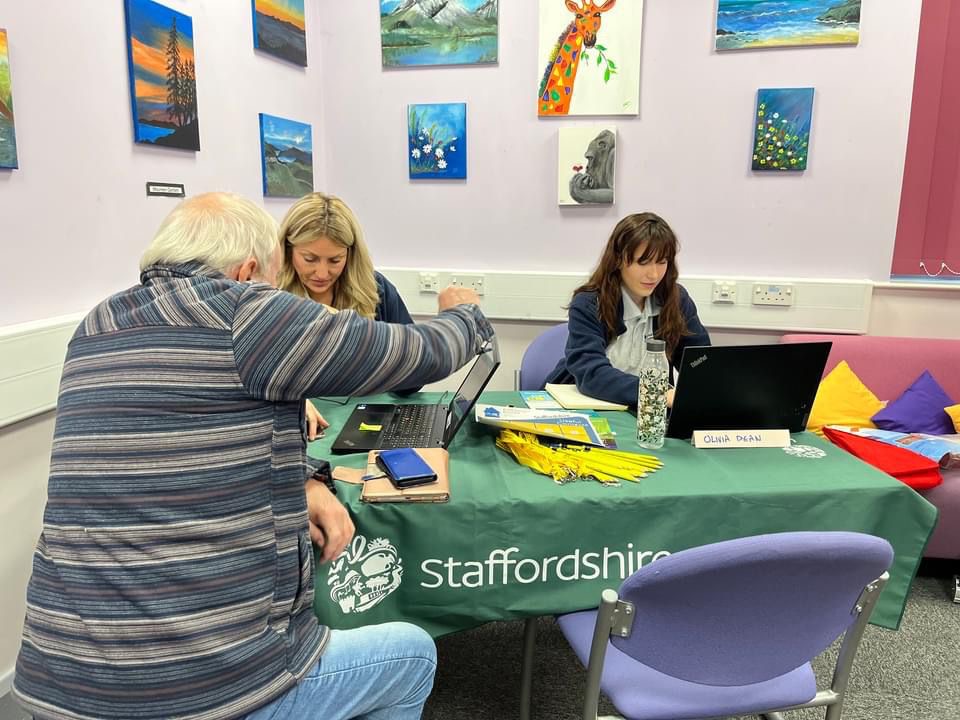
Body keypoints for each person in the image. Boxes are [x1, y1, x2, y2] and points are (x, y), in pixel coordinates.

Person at [13, 192, 492, 720]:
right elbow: (419, 353)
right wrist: (464, 313)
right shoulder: (245, 310)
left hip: (54, 682)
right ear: (246, 271)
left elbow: (184, 443)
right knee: (412, 656)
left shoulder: (95, 326)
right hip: (198, 692)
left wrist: (306, 476)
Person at [545, 212, 710, 408]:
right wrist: (658, 393)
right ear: (618, 260)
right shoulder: (589, 303)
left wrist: (709, 383)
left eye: (662, 262)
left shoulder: (676, 299)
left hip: (650, 414)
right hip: (589, 407)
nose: (654, 274)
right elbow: (591, 373)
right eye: (643, 262)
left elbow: (699, 361)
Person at [278, 192, 422, 414]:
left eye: (335, 260)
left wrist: (384, 352)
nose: (322, 273)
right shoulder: (268, 296)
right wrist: (293, 403)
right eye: (310, 259)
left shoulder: (376, 290)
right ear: (288, 250)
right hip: (293, 425)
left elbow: (413, 379)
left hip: (364, 419)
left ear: (350, 254)